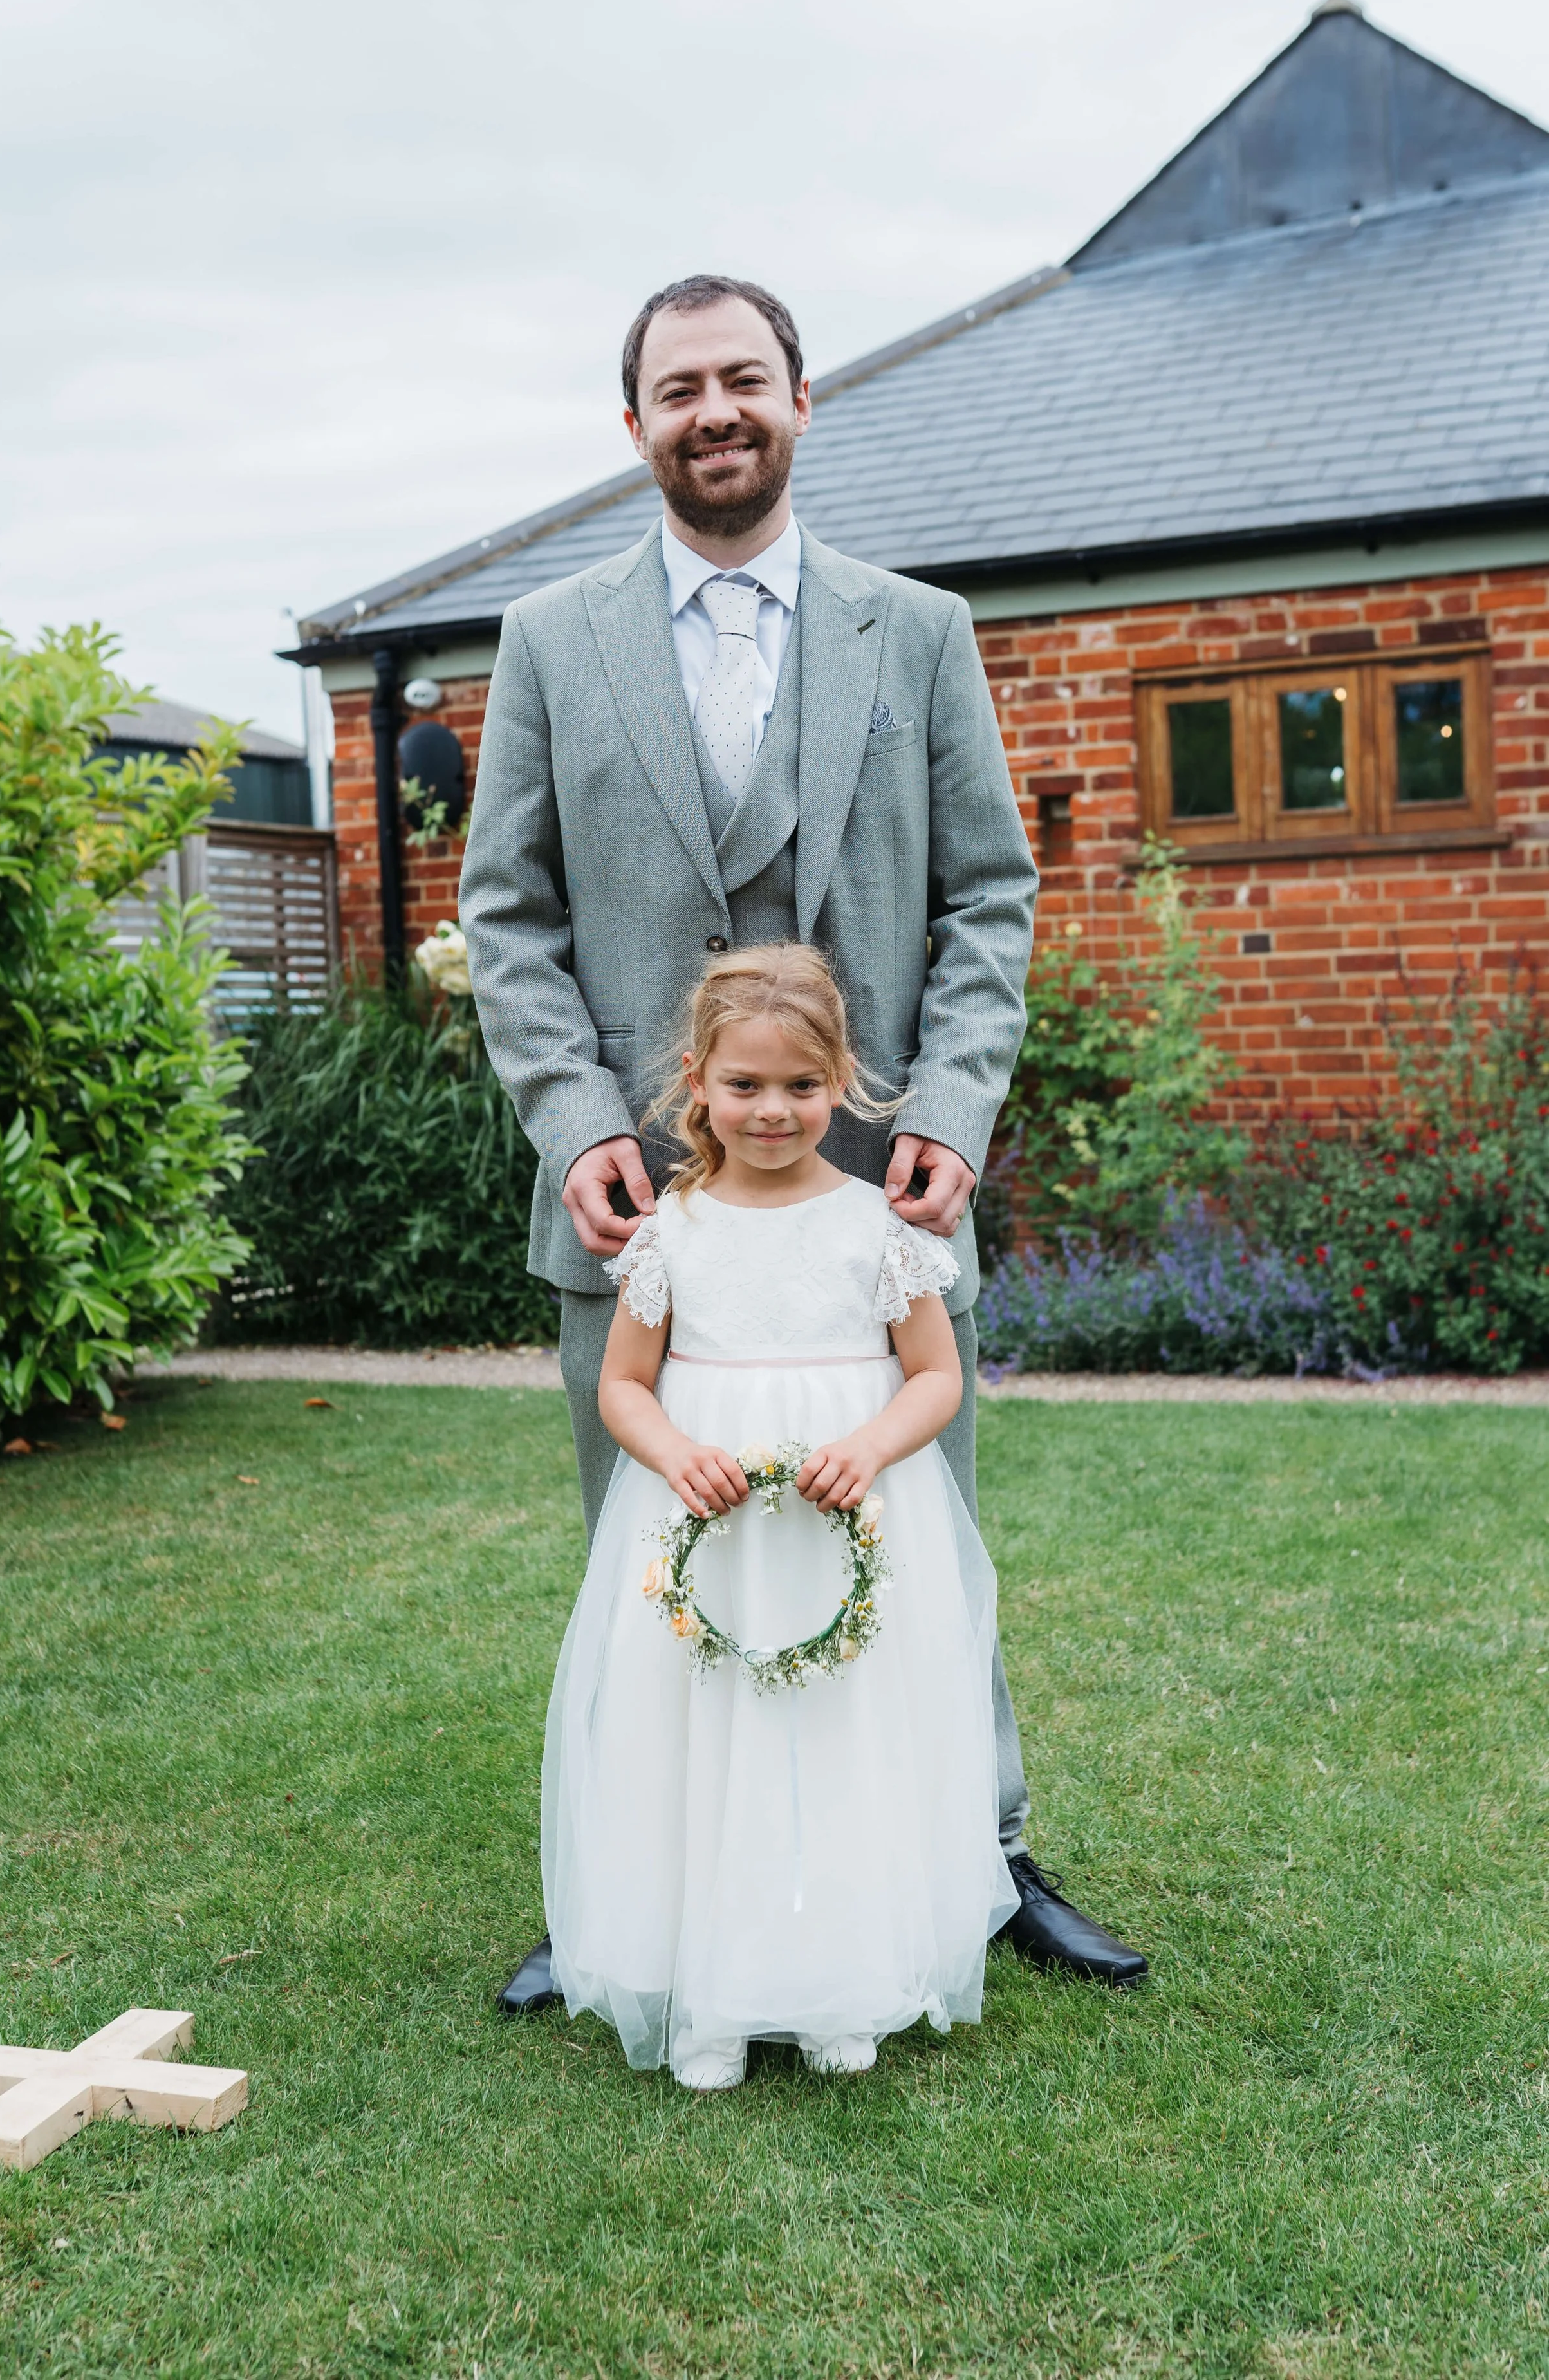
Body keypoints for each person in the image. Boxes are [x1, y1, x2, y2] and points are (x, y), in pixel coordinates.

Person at [461, 272, 1146, 2005]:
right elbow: (507, 913)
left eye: (743, 378)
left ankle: (974, 1861)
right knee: (643, 1551)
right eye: (679, 385)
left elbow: (990, 892)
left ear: (798, 399)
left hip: (876, 1199)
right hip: (644, 1216)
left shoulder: (913, 629)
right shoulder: (548, 641)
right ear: (634, 425)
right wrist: (568, 1128)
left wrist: (957, 1119)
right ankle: (629, 1889)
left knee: (928, 1540)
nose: (715, 409)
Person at [546, 945, 1017, 2088]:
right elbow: (621, 1384)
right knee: (707, 1739)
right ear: (696, 1083)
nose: (773, 1110)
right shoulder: (671, 1230)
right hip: (710, 1524)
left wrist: (867, 1445)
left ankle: (838, 1977)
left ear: (843, 1081)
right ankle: (708, 1990)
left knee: (840, 1731)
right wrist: (674, 1452)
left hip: (841, 1508)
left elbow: (936, 1377)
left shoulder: (880, 1226)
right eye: (745, 1085)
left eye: (802, 1086)